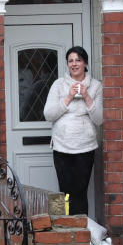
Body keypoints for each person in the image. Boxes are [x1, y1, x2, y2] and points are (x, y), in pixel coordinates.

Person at [42, 45, 103, 216]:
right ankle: (61, 229)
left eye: (78, 60)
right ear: (67, 64)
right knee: (63, 191)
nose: (74, 64)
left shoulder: (96, 86)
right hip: (61, 146)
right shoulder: (58, 85)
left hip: (85, 147)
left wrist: (86, 96)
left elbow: (99, 119)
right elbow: (48, 114)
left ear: (85, 63)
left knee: (79, 191)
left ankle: (81, 232)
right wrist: (68, 97)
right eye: (70, 61)